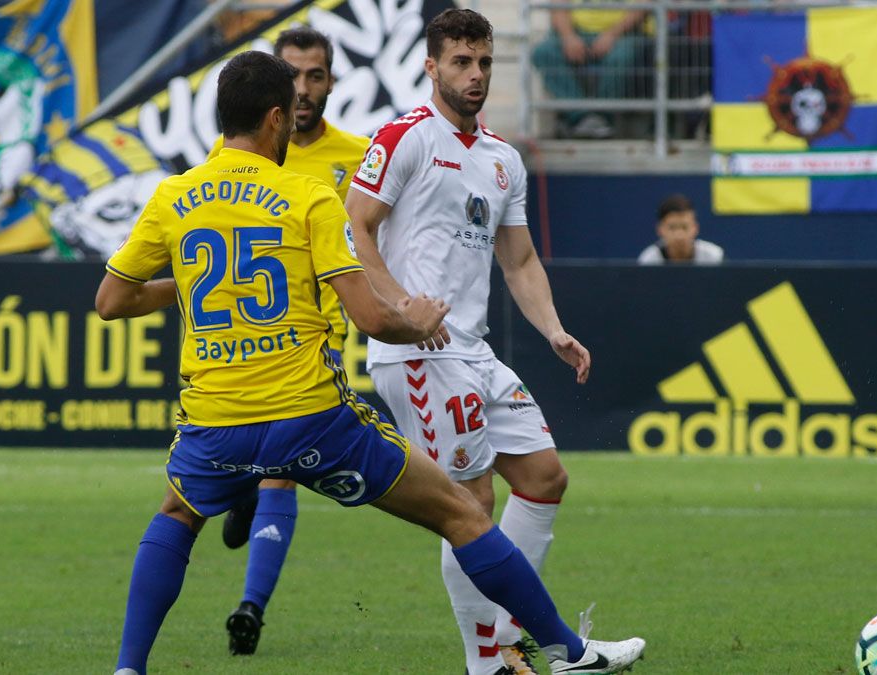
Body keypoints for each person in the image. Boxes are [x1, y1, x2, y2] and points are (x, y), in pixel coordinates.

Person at [100, 50, 645, 675]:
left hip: (217, 421)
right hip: (312, 417)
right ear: (276, 120)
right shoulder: (307, 196)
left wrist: (193, 281)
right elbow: (370, 318)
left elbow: (112, 300)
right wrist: (414, 319)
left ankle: (128, 668)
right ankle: (568, 653)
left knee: (177, 514)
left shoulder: (175, 197)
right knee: (462, 512)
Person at [345, 9, 598, 675]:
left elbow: (518, 261)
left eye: (484, 61)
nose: (476, 74)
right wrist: (398, 305)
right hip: (419, 352)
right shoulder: (403, 138)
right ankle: (487, 662)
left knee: (545, 477)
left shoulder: (501, 158)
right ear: (431, 66)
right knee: (470, 504)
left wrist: (553, 328)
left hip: (475, 350)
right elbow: (356, 226)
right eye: (461, 61)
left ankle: (510, 634)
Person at [204, 25, 372, 656]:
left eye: (317, 76)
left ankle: (250, 607)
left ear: (331, 82)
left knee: (280, 475)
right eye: (293, 76)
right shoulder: (239, 159)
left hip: (313, 343)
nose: (304, 90)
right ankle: (243, 491)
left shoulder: (357, 159)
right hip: (243, 344)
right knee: (262, 470)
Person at [531, 1, 652, 138]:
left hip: (623, 33)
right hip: (576, 31)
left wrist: (612, 34)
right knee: (544, 53)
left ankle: (602, 117)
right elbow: (558, 6)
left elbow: (643, 6)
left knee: (623, 56)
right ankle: (582, 117)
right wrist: (568, 36)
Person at [637, 194, 723, 265]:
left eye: (684, 227)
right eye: (672, 227)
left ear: (695, 228)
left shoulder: (714, 257)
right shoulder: (648, 260)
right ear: (660, 229)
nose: (679, 235)